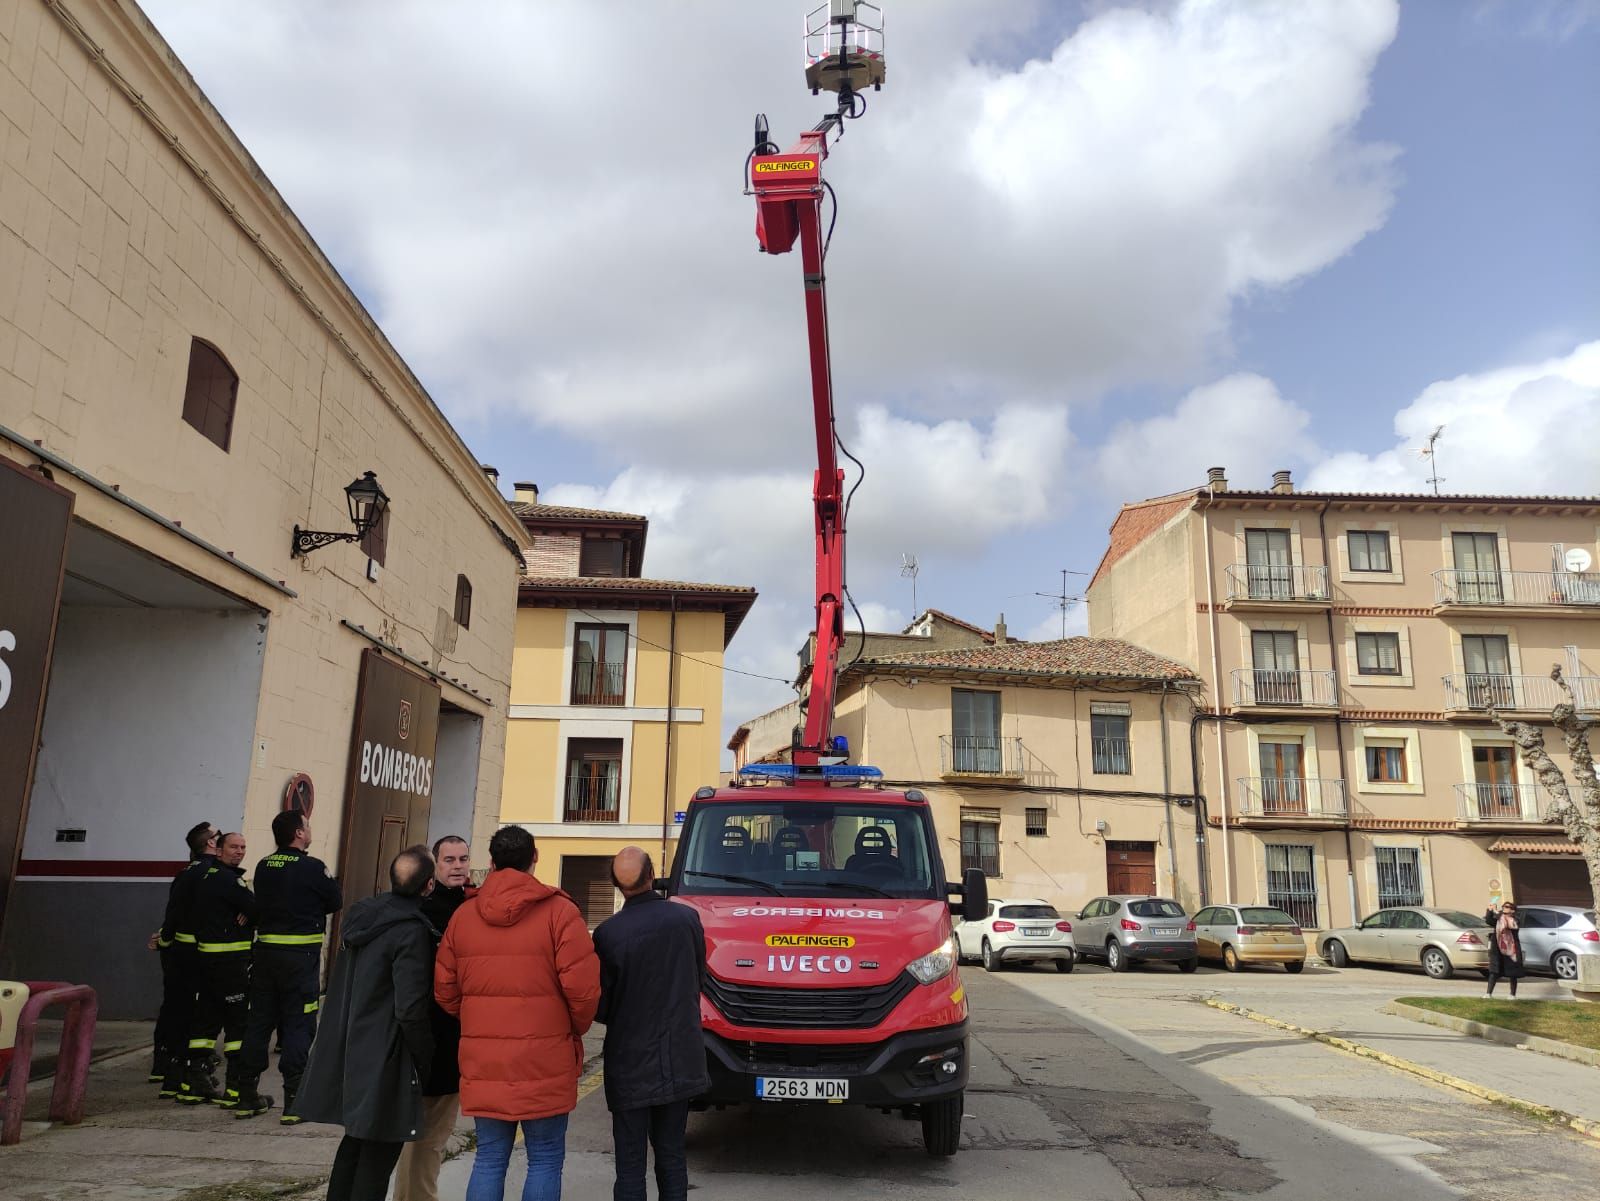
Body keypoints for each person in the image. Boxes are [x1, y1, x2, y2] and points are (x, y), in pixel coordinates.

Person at [434, 826, 600, 1201]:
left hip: (485, 1060)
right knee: (544, 1158)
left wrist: (479, 1020)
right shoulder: (561, 912)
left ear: (490, 863)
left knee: (489, 1157)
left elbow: (445, 990)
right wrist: (569, 1027)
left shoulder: (463, 916)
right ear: (535, 858)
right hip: (546, 1057)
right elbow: (584, 991)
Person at [297, 846, 437, 1201]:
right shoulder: (411, 932)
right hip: (388, 1054)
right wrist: (427, 1058)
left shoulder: (361, 916)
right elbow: (410, 1008)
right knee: (378, 1155)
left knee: (355, 1143)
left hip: (352, 1046)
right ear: (429, 886)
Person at [593, 847, 709, 1201]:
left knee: (629, 1164)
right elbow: (698, 978)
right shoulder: (687, 920)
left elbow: (602, 1005)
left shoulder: (607, 934)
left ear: (615, 884)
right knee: (672, 1155)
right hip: (680, 1053)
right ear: (652, 875)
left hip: (629, 1060)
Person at [233, 809, 343, 1121]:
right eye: (306, 826)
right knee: (299, 1023)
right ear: (298, 833)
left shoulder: (264, 865)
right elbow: (335, 901)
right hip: (300, 959)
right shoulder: (312, 867)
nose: (309, 830)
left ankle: (246, 1095)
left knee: (259, 1022)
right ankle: (295, 1102)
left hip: (266, 955)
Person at [394, 835, 477, 1201]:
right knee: (427, 1137)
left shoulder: (469, 906)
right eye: (449, 860)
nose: (458, 865)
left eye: (463, 858)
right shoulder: (429, 915)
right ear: (434, 868)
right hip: (434, 1042)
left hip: (454, 1040)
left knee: (431, 1137)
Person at [178, 831, 256, 1106]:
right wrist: (250, 909)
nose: (239, 851)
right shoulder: (229, 880)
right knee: (238, 1024)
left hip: (205, 959)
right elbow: (256, 909)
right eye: (234, 847)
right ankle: (236, 1090)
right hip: (230, 961)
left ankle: (193, 1081)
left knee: (206, 1020)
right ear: (219, 849)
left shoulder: (206, 877)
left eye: (243, 847)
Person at [150, 821, 217, 1095]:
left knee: (174, 1010)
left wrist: (165, 940)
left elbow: (174, 911)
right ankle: (187, 1072)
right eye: (220, 837)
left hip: (178, 954)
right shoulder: (210, 873)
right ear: (211, 843)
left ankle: (166, 1068)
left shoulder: (186, 873)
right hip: (196, 956)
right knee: (194, 1014)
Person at [1486, 899, 1525, 998]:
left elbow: (1509, 925)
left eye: (1507, 907)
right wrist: (1490, 910)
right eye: (1503, 906)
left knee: (1513, 973)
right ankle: (1488, 993)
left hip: (1511, 951)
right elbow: (1489, 921)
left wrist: (1496, 911)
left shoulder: (1515, 920)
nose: (1504, 908)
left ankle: (1512, 995)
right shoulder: (1499, 919)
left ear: (1513, 910)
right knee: (1494, 971)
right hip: (1498, 949)